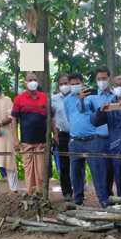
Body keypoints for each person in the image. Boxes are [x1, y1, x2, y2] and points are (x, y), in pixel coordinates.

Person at [64, 72, 110, 207]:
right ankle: (78, 199)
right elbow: (69, 117)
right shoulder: (67, 100)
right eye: (71, 84)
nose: (74, 86)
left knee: (97, 171)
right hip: (74, 141)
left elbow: (95, 115)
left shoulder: (91, 98)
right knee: (75, 172)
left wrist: (82, 99)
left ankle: (103, 200)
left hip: (91, 140)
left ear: (82, 83)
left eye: (77, 83)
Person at [12, 71, 58, 195]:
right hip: (26, 141)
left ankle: (41, 195)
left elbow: (51, 118)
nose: (33, 82)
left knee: (41, 171)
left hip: (43, 141)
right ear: (25, 83)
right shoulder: (19, 99)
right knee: (28, 170)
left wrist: (56, 134)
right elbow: (14, 119)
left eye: (35, 80)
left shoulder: (45, 98)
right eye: (30, 80)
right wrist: (16, 139)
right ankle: (30, 194)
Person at [84, 66, 116, 199]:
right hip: (99, 139)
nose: (101, 81)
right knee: (100, 171)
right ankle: (103, 199)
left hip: (115, 139)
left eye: (104, 78)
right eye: (99, 79)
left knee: (112, 171)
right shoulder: (91, 97)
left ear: (109, 78)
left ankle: (113, 197)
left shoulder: (116, 96)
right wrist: (80, 99)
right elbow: (82, 109)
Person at [52, 73, 74, 201]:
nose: (64, 86)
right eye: (61, 84)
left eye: (66, 83)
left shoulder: (78, 97)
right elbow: (51, 118)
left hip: (77, 135)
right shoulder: (54, 99)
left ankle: (79, 189)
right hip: (62, 135)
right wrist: (55, 134)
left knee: (77, 163)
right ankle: (67, 192)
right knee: (64, 164)